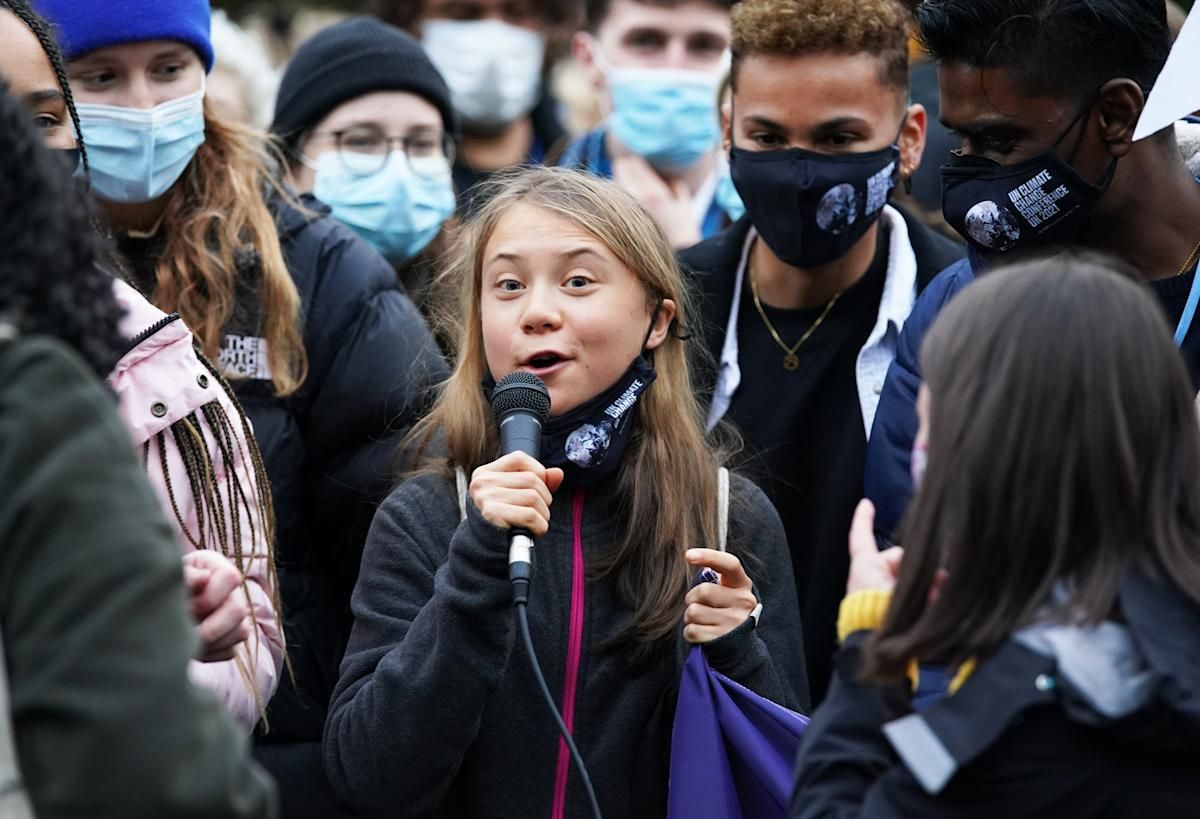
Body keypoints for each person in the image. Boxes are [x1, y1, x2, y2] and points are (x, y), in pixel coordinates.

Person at [33, 0, 449, 812]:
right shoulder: (29, 268)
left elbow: (406, 517)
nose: (144, 105)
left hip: (282, 756)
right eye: (100, 77)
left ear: (205, 73)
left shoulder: (318, 269)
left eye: (169, 69)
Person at [323, 166, 809, 818]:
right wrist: (474, 576)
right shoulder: (425, 517)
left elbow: (794, 779)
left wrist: (737, 651)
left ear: (657, 320)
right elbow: (367, 778)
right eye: (508, 285)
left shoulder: (727, 519)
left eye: (578, 281)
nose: (539, 312)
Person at [791, 256, 1200, 818]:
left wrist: (872, 651)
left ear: (990, 455)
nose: (919, 456)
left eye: (933, 427)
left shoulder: (1018, 724)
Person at [0, 0, 284, 731]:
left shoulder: (159, 364)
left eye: (38, 123)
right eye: (103, 76)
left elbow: (250, 633)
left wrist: (175, 648)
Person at [681, 0, 963, 704]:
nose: (801, 174)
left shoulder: (976, 318)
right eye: (768, 137)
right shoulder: (663, 306)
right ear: (727, 132)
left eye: (840, 140)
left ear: (909, 139)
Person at [864, 0, 1200, 541]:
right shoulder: (957, 310)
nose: (969, 189)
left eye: (999, 143)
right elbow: (907, 565)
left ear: (1116, 116)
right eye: (963, 141)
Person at [272, 16, 458, 314]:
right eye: (361, 141)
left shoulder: (485, 312)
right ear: (289, 161)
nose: (397, 169)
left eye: (422, 143)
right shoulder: (235, 307)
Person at [557, 0, 738, 249]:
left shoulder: (768, 215)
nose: (675, 69)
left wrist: (687, 256)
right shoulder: (526, 215)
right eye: (645, 41)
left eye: (704, 46)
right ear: (589, 59)